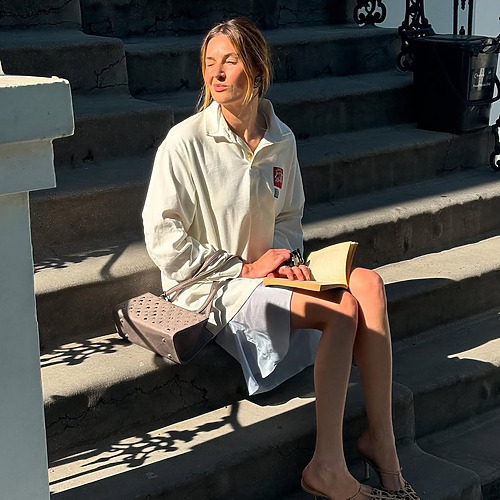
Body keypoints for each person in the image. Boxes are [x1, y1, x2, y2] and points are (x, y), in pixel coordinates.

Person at [142, 17, 420, 500]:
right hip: (213, 287)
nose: (217, 73)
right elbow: (162, 234)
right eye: (209, 62)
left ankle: (383, 443)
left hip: (268, 276)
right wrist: (242, 268)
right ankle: (327, 465)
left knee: (369, 286)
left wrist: (286, 258)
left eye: (230, 60)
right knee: (341, 309)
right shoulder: (184, 142)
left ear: (257, 68)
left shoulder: (281, 139)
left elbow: (290, 216)